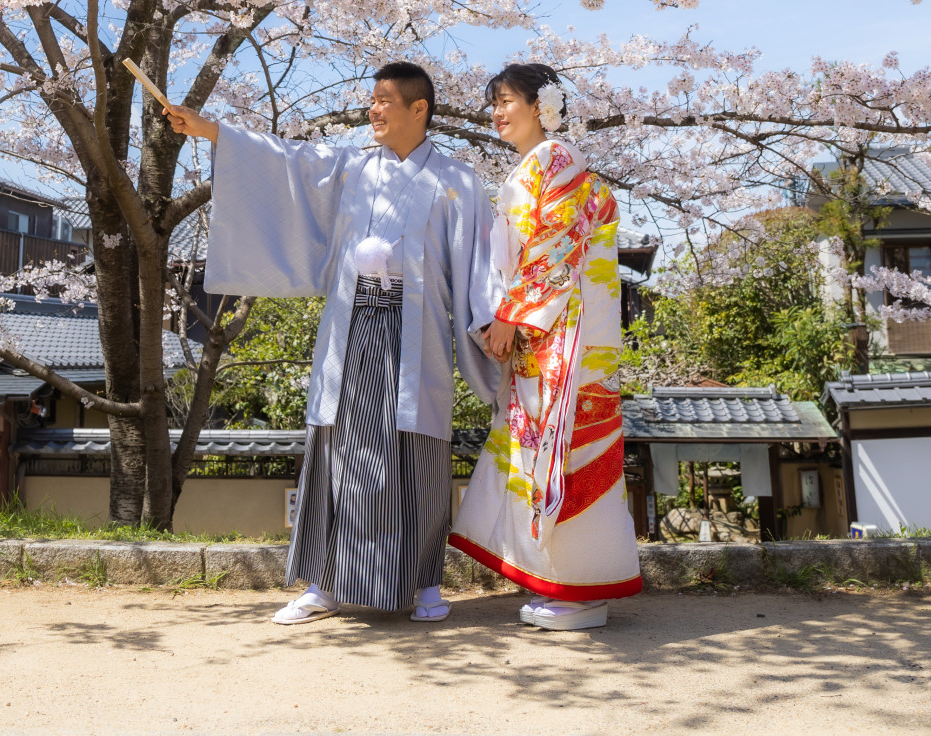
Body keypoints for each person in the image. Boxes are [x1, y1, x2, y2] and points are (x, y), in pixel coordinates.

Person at [164, 62, 497, 625]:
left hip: (415, 333)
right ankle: (322, 582)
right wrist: (212, 130)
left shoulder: (458, 181)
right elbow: (284, 160)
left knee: (415, 453)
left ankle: (424, 584)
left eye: (386, 100)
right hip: (351, 326)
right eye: (372, 99)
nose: (374, 109)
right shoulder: (349, 168)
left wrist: (491, 321)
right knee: (338, 448)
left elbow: (481, 266)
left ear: (420, 109)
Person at [448, 62, 642, 630]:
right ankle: (569, 584)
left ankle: (581, 591)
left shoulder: (558, 160)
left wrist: (511, 314)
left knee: (569, 445)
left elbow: (555, 244)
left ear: (541, 105)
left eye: (506, 100)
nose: (497, 112)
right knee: (549, 447)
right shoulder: (538, 165)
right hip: (553, 332)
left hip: (567, 334)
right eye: (495, 102)